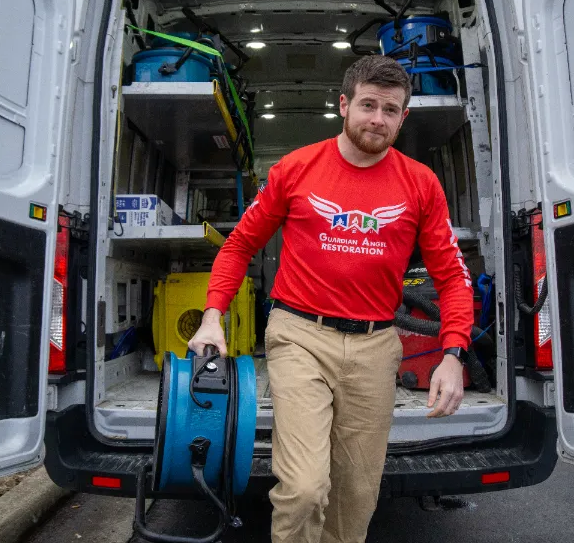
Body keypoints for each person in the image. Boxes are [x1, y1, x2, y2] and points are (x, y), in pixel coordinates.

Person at [187, 55, 475, 543]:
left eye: (390, 110)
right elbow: (238, 246)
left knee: (356, 495)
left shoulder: (421, 184)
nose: (377, 119)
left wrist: (453, 354)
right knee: (304, 488)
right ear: (344, 105)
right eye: (368, 105)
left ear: (403, 116)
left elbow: (452, 276)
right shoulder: (296, 169)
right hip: (300, 336)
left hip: (375, 346)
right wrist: (212, 316)